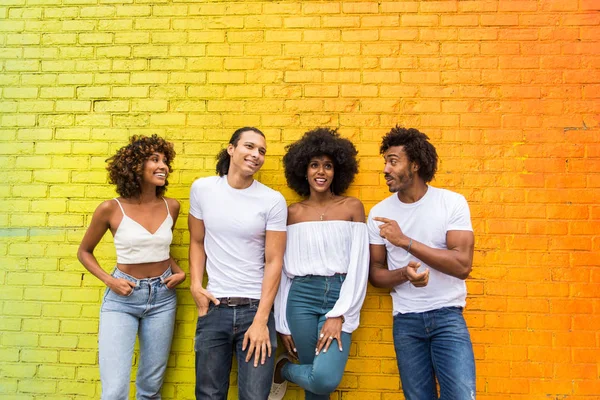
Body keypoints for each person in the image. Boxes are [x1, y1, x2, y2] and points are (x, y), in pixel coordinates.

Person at [367, 126, 476, 400]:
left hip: (448, 316)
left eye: (393, 161)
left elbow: (462, 265)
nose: (386, 169)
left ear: (414, 164)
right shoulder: (379, 214)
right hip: (406, 321)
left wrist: (405, 242)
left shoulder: (451, 203)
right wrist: (405, 273)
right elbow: (376, 275)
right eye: (385, 162)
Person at [77, 134, 186, 400]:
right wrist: (109, 280)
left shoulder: (171, 206)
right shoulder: (110, 209)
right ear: (135, 166)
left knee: (150, 390)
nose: (163, 166)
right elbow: (84, 252)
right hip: (122, 298)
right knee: (115, 391)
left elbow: (157, 248)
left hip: (162, 298)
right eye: (154, 160)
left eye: (165, 161)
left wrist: (179, 271)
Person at [269, 128, 369, 400]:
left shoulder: (352, 207)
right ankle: (290, 367)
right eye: (314, 165)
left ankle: (284, 370)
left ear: (338, 171)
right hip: (300, 299)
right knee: (315, 387)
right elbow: (282, 272)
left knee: (323, 379)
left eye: (328, 165)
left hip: (339, 294)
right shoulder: (292, 214)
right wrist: (281, 323)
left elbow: (360, 267)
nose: (321, 171)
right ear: (303, 170)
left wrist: (339, 314)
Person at [188, 127, 287, 400]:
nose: (256, 155)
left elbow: (274, 261)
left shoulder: (272, 200)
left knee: (255, 396)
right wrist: (196, 286)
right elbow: (197, 242)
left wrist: (261, 320)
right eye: (249, 147)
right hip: (214, 307)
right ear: (231, 149)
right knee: (208, 395)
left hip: (255, 308)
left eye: (262, 151)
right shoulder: (203, 189)